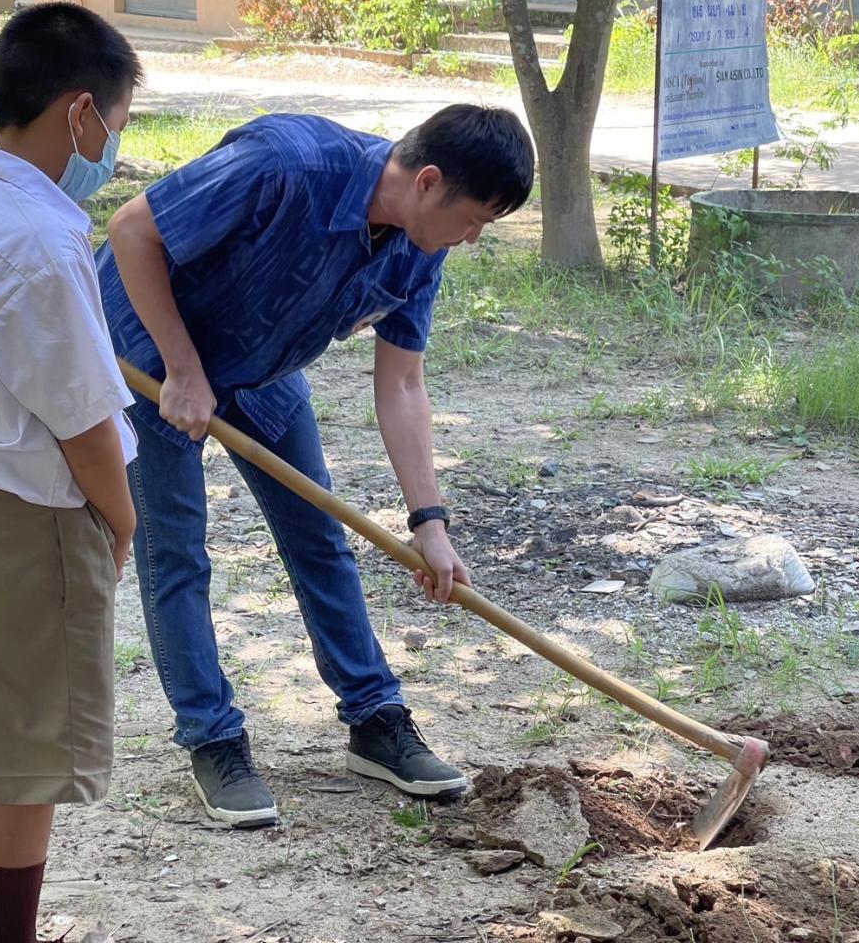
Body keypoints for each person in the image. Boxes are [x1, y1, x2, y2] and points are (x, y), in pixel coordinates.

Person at [98, 103, 534, 828]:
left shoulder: (421, 247)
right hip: (150, 352)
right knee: (176, 551)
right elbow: (131, 230)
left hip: (262, 367)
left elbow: (401, 383)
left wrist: (430, 522)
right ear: (428, 182)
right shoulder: (284, 164)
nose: (475, 237)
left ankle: (376, 720)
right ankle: (214, 739)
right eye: (476, 219)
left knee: (319, 536)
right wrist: (180, 367)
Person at [0, 4, 142, 943]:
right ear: (78, 112)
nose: (113, 144)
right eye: (116, 124)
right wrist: (120, 521)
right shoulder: (40, 242)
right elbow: (84, 421)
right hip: (28, 522)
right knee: (31, 768)